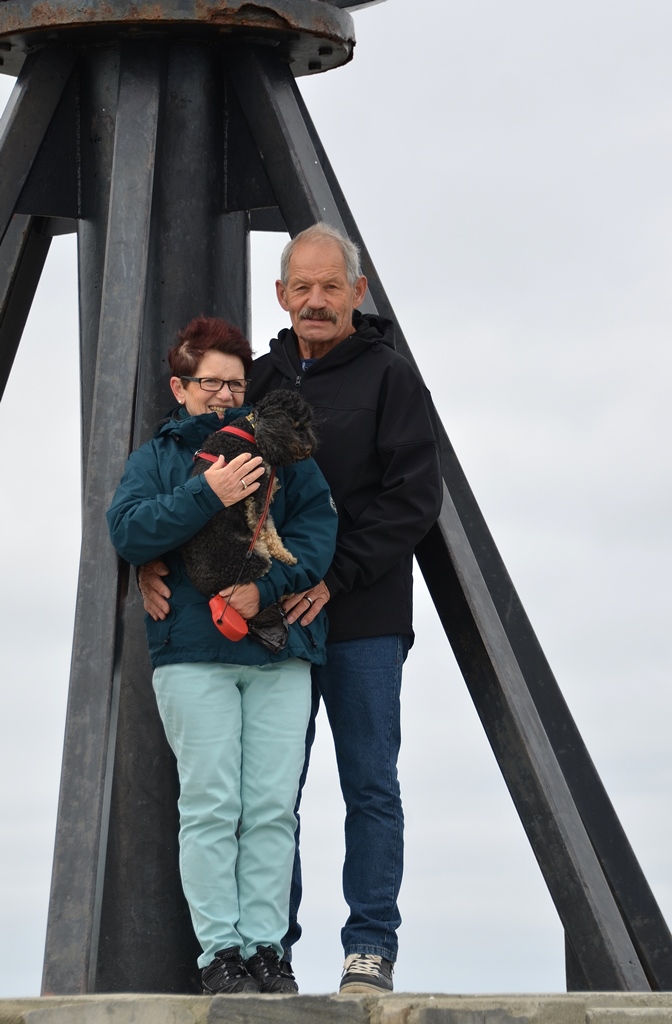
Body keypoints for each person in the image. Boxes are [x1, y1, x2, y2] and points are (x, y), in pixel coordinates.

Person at [140, 225, 443, 993]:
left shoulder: (391, 378)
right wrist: (145, 561)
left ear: (356, 293)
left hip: (363, 615)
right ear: (281, 295)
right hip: (276, 628)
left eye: (329, 287)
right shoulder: (258, 377)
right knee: (276, 790)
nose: (314, 300)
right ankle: (274, 953)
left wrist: (333, 578)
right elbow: (187, 471)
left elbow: (414, 500)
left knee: (370, 782)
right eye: (300, 287)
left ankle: (369, 947)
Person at [107, 316, 338, 996]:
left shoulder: (286, 453)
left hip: (280, 654)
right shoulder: (157, 459)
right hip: (191, 657)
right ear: (180, 388)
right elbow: (128, 530)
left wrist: (264, 588)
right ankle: (220, 956)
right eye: (210, 383)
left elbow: (318, 533)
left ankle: (269, 951)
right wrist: (209, 491)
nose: (224, 396)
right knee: (211, 804)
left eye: (236, 384)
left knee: (271, 808)